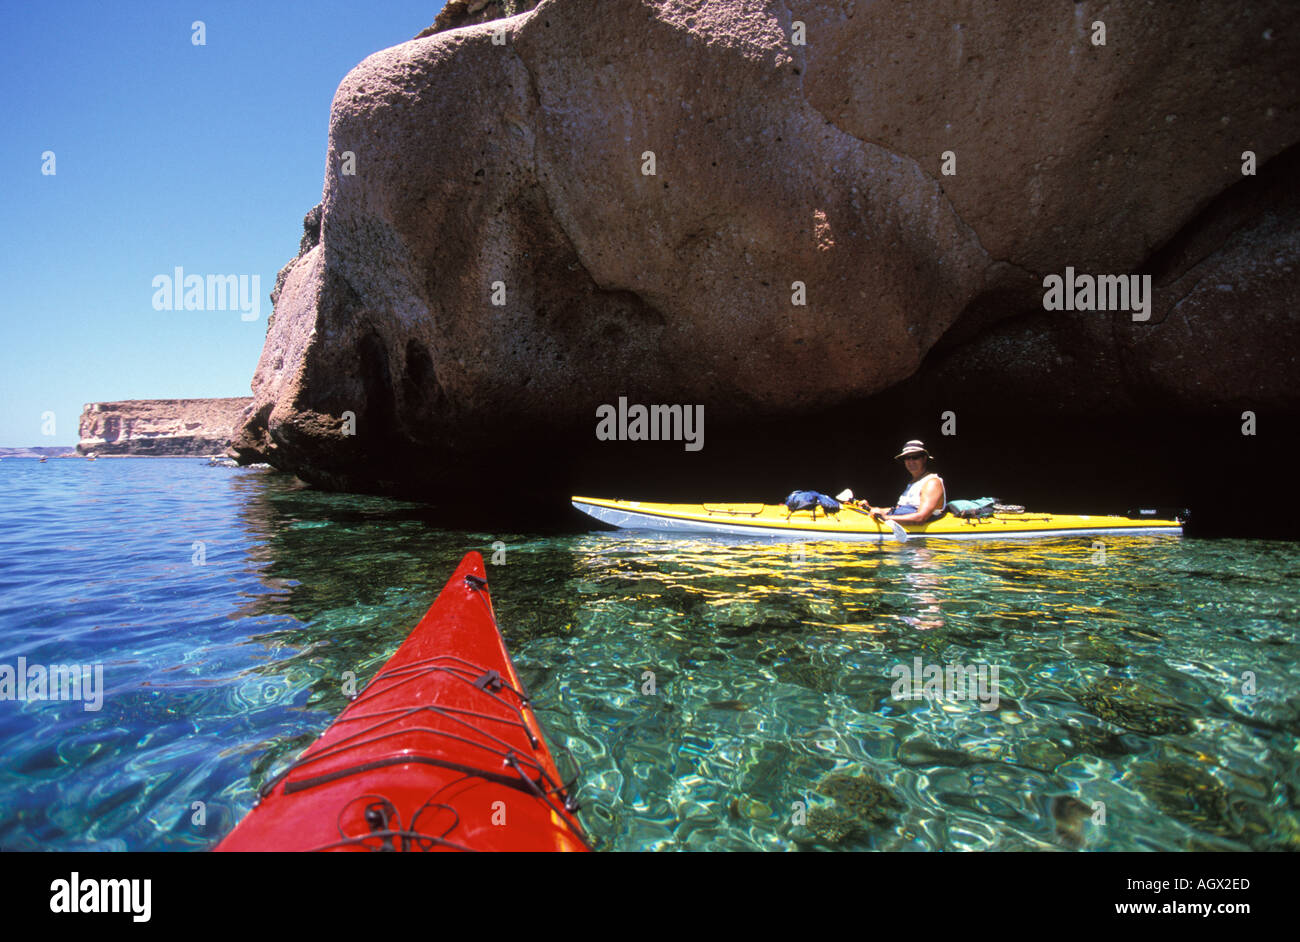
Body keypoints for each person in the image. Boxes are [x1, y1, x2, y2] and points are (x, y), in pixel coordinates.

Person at [858, 440, 946, 524]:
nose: (911, 461)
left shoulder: (932, 483)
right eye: (907, 458)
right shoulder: (913, 483)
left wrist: (886, 518)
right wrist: (871, 508)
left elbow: (921, 517)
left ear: (924, 458)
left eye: (915, 457)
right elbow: (899, 509)